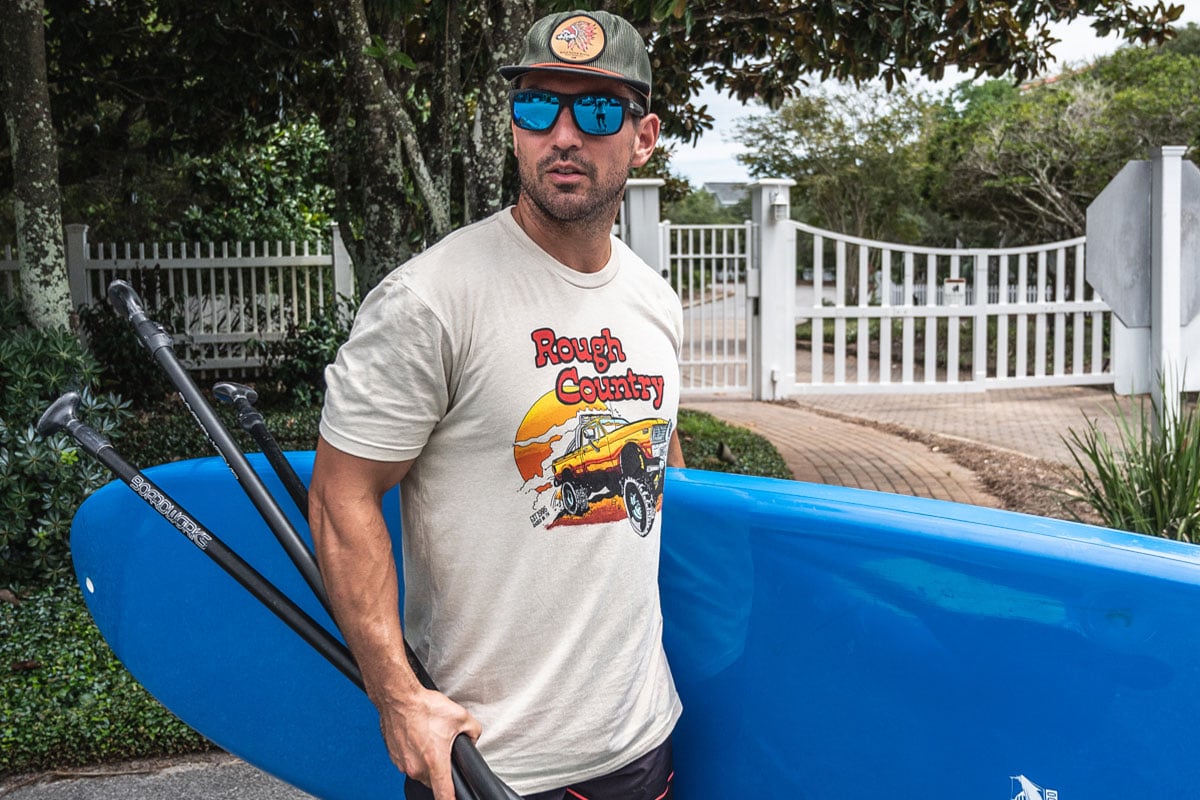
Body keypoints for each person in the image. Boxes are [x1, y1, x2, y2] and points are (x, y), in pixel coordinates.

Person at [309, 9, 684, 800]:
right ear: (514, 128)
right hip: (486, 762)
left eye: (598, 110)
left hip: (641, 741)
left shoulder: (656, 302)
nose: (563, 135)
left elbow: (661, 460)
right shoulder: (431, 300)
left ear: (643, 137)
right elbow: (342, 495)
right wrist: (397, 696)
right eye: (537, 107)